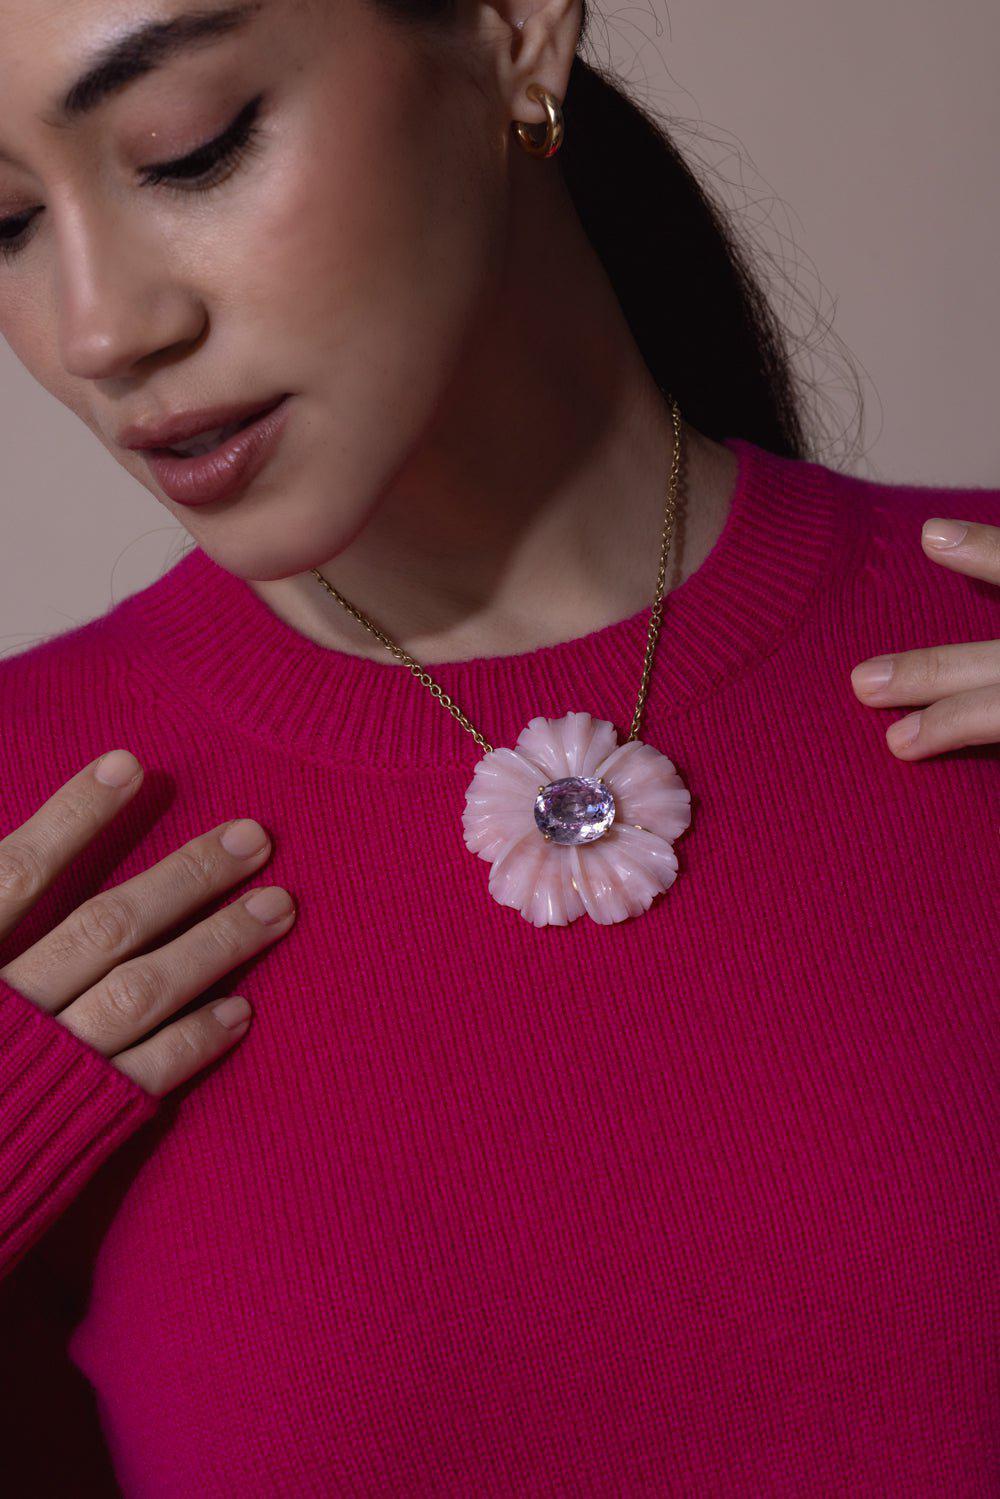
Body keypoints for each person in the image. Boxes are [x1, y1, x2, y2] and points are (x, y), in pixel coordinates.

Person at [0, 0, 996, 1492]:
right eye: (5, 225)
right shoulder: (30, 835)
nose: (101, 331)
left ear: (514, 28)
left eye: (189, 149)